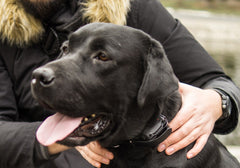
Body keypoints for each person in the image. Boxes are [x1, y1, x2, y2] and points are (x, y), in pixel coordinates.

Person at [0, 0, 239, 167]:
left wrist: (215, 101)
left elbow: (217, 82)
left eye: (102, 57)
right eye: (66, 50)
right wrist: (60, 140)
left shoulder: (133, 6)